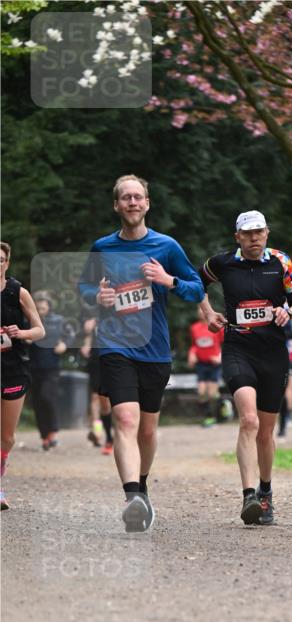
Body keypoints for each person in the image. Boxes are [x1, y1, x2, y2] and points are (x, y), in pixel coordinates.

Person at [79, 174, 204, 532]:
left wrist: (168, 281)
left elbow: (196, 290)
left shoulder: (166, 247)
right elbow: (85, 287)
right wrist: (96, 297)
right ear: (116, 205)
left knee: (147, 430)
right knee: (125, 421)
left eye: (138, 197)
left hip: (155, 350)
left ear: (147, 203)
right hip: (115, 345)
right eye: (125, 198)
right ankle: (132, 496)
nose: (132, 203)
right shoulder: (102, 247)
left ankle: (143, 486)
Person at [198, 210, 292, 526]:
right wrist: (207, 313)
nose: (254, 238)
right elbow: (195, 282)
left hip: (273, 353)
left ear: (267, 233)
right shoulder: (223, 263)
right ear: (238, 237)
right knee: (249, 420)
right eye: (247, 234)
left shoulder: (281, 262)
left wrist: (289, 312)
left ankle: (266, 492)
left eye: (259, 232)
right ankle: (249, 496)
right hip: (238, 349)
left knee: (266, 432)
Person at [0, 241, 45, 510]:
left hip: (14, 368)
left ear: (7, 262)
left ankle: (1, 466)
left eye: (1, 259)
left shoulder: (18, 292)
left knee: (6, 436)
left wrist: (22, 333)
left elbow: (40, 330)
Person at [29, 291, 70, 450]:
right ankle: (44, 437)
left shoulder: (58, 320)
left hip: (52, 367)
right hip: (33, 367)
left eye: (43, 308)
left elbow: (71, 335)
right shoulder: (29, 321)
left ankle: (53, 432)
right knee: (38, 402)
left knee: (47, 397)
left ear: (49, 307)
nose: (40, 311)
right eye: (37, 308)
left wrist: (65, 344)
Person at [80, 312, 114, 454]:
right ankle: (99, 432)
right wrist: (86, 344)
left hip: (118, 357)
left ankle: (121, 435)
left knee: (113, 400)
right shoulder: (95, 313)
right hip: (97, 358)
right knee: (97, 398)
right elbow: (89, 334)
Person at [187, 313, 223, 427]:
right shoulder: (194, 328)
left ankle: (223, 408)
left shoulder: (215, 326)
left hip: (214, 364)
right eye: (199, 310)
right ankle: (209, 417)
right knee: (202, 392)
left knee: (212, 394)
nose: (201, 312)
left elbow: (225, 344)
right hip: (201, 364)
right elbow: (194, 345)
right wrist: (192, 354)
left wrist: (219, 357)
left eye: (203, 310)